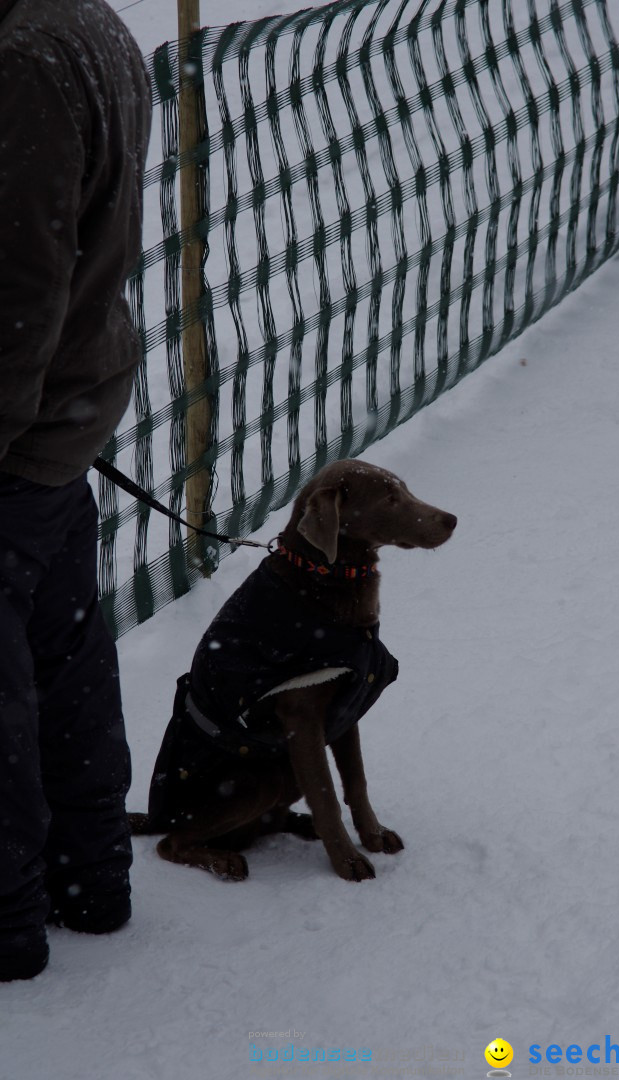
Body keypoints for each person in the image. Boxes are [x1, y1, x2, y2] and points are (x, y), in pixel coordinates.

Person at [0, 0, 151, 980]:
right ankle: (90, 875)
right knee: (63, 649)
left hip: (20, 430)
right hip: (66, 412)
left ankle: (7, 917)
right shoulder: (84, 21)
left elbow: (18, 285)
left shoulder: (22, 60)